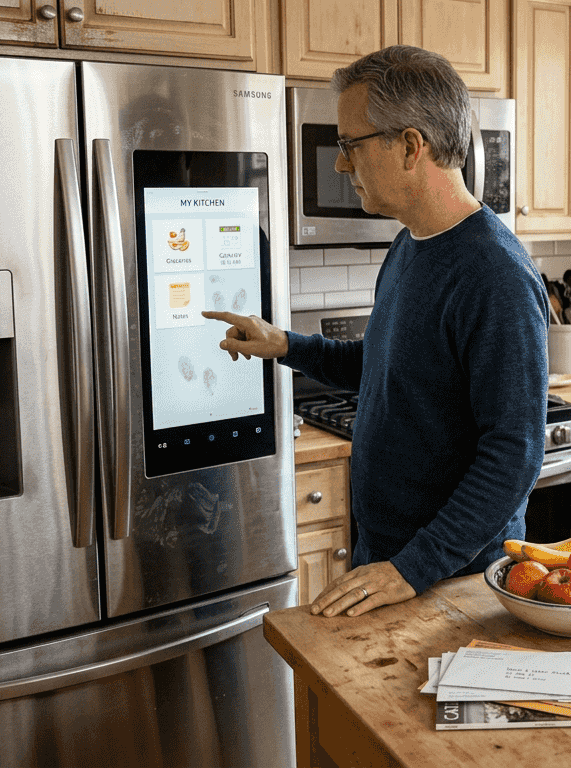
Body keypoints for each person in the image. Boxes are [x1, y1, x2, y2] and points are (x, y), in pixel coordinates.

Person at [203, 45, 549, 619]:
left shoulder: (495, 276)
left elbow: (514, 455)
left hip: (451, 581)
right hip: (392, 562)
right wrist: (285, 345)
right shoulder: (411, 242)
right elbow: (387, 368)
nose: (341, 164)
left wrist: (412, 568)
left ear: (410, 145)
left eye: (350, 145)